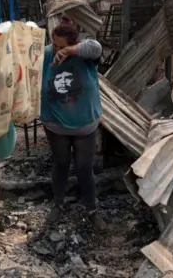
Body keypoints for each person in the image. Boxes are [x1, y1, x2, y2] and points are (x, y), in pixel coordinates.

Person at [40, 18, 106, 230]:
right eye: (55, 44)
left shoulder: (85, 55)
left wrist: (70, 51)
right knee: (60, 165)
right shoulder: (46, 54)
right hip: (55, 124)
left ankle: (92, 210)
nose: (57, 49)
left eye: (62, 45)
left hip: (84, 125)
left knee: (84, 168)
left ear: (74, 42)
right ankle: (58, 204)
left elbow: (95, 47)